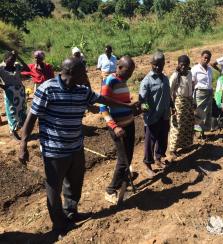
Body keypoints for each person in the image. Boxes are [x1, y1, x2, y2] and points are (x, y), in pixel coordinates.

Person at [18, 57, 138, 239]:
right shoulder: (47, 88)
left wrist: (126, 105)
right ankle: (58, 225)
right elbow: (31, 119)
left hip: (76, 147)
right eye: (84, 72)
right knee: (54, 189)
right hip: (54, 151)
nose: (87, 75)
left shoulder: (82, 91)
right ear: (72, 73)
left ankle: (71, 213)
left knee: (75, 184)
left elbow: (103, 99)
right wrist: (23, 145)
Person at [99, 56, 137, 204]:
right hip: (118, 128)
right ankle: (111, 190)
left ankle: (124, 180)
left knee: (129, 155)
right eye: (128, 71)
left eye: (132, 72)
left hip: (129, 124)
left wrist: (134, 106)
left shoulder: (122, 81)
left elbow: (122, 103)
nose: (130, 75)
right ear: (119, 67)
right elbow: (103, 107)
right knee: (123, 160)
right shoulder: (110, 81)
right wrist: (114, 127)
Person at [139, 51, 173, 177]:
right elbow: (142, 99)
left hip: (164, 115)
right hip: (152, 117)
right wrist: (145, 108)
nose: (158, 67)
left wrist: (172, 105)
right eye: (155, 64)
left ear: (164, 64)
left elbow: (168, 95)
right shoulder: (146, 81)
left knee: (162, 139)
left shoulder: (165, 78)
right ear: (151, 64)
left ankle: (158, 158)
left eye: (161, 64)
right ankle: (148, 164)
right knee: (150, 142)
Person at [169, 55, 195, 159]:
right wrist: (172, 106)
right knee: (177, 125)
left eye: (185, 65)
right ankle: (172, 149)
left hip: (188, 101)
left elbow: (191, 88)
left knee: (188, 123)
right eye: (181, 65)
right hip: (179, 103)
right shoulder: (175, 75)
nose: (183, 67)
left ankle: (185, 145)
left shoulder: (189, 73)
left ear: (188, 65)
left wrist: (193, 101)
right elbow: (169, 90)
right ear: (178, 64)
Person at [0, 51, 29, 140]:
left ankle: (23, 129)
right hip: (10, 93)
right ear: (5, 59)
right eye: (10, 60)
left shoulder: (16, 65)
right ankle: (13, 131)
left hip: (20, 91)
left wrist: (18, 57)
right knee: (11, 111)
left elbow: (27, 69)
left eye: (14, 59)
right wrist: (4, 87)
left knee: (22, 110)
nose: (12, 61)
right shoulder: (0, 68)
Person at [191, 50, 213, 136]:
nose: (206, 60)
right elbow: (192, 83)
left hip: (209, 93)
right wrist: (192, 97)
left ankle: (203, 132)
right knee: (199, 113)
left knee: (207, 113)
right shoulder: (195, 69)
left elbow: (210, 82)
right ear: (201, 57)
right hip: (200, 94)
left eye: (208, 58)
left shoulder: (210, 69)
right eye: (205, 58)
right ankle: (197, 132)